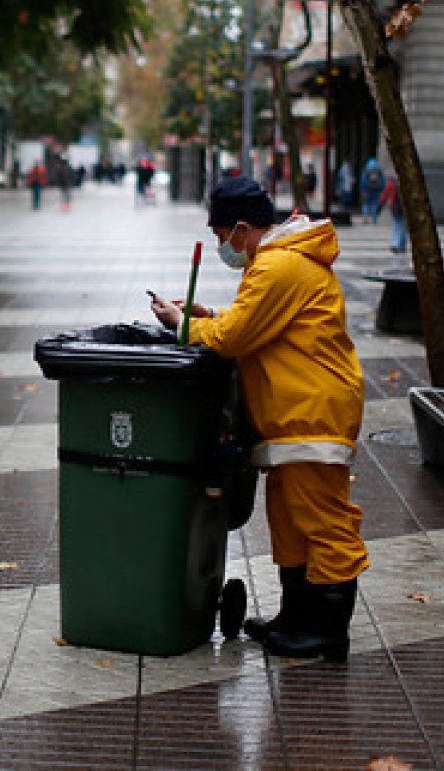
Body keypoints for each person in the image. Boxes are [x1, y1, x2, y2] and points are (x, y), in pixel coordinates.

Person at [149, 175, 368, 661]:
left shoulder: (280, 265)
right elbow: (257, 322)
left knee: (324, 522)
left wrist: (184, 324)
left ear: (244, 228)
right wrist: (206, 312)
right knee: (289, 521)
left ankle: (329, 630)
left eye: (223, 237)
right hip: (293, 416)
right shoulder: (279, 264)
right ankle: (296, 617)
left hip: (311, 412)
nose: (222, 247)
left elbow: (235, 336)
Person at [378, 175, 407, 253]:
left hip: (395, 207)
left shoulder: (391, 184)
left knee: (398, 225)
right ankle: (402, 245)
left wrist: (380, 206)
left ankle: (396, 244)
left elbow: (384, 196)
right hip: (404, 207)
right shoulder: (407, 184)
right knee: (402, 226)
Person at [359, 158, 384, 223]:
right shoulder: (379, 171)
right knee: (375, 205)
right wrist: (381, 190)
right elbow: (383, 182)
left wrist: (362, 190)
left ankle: (365, 217)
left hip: (367, 191)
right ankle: (374, 218)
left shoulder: (366, 171)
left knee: (366, 204)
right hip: (376, 191)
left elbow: (363, 181)